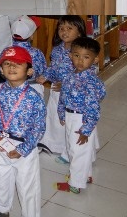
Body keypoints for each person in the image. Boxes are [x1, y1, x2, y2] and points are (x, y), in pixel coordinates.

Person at [0, 46, 46, 217]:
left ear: (29, 70)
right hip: (2, 142)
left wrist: (23, 149)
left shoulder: (34, 97)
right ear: (1, 70)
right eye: (7, 64)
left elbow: (38, 126)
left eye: (18, 64)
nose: (11, 67)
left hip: (25, 147)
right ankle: (2, 210)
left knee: (27, 185)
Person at [56, 37, 105, 194]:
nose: (80, 61)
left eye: (86, 57)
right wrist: (61, 112)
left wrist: (86, 129)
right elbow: (63, 95)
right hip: (70, 116)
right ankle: (86, 175)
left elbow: (94, 108)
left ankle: (75, 184)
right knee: (76, 149)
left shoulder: (90, 81)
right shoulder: (71, 75)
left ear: (95, 59)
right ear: (70, 55)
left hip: (82, 119)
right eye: (76, 55)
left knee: (78, 151)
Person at [36, 16, 88, 159]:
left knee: (67, 121)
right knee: (52, 116)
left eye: (69, 28)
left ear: (79, 32)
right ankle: (49, 143)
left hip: (71, 94)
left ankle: (68, 148)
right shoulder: (57, 50)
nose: (64, 32)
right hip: (55, 89)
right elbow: (52, 67)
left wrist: (66, 85)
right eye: (61, 28)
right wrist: (45, 76)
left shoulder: (80, 52)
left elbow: (83, 74)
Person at [9, 15, 47, 98]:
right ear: (31, 36)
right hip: (33, 87)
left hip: (10, 86)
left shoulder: (6, 51)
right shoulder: (37, 53)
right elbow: (43, 71)